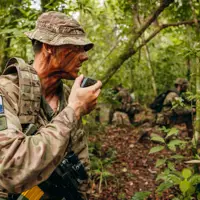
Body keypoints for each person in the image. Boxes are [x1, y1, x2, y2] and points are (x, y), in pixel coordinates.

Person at [0, 11, 102, 200]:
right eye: (76, 47)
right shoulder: (5, 92)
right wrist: (74, 111)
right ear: (49, 48)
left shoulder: (68, 97)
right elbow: (10, 168)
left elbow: (81, 165)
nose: (84, 56)